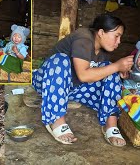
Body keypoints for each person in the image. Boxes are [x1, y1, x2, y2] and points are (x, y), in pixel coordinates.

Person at [32, 14, 134, 146]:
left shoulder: (103, 51)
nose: (119, 41)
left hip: (74, 89)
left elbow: (96, 74)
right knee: (61, 60)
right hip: (49, 83)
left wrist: (118, 71)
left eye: (120, 37)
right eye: (116, 36)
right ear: (101, 32)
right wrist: (116, 66)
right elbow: (83, 75)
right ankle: (56, 119)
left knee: (111, 71)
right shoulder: (83, 37)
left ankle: (110, 123)